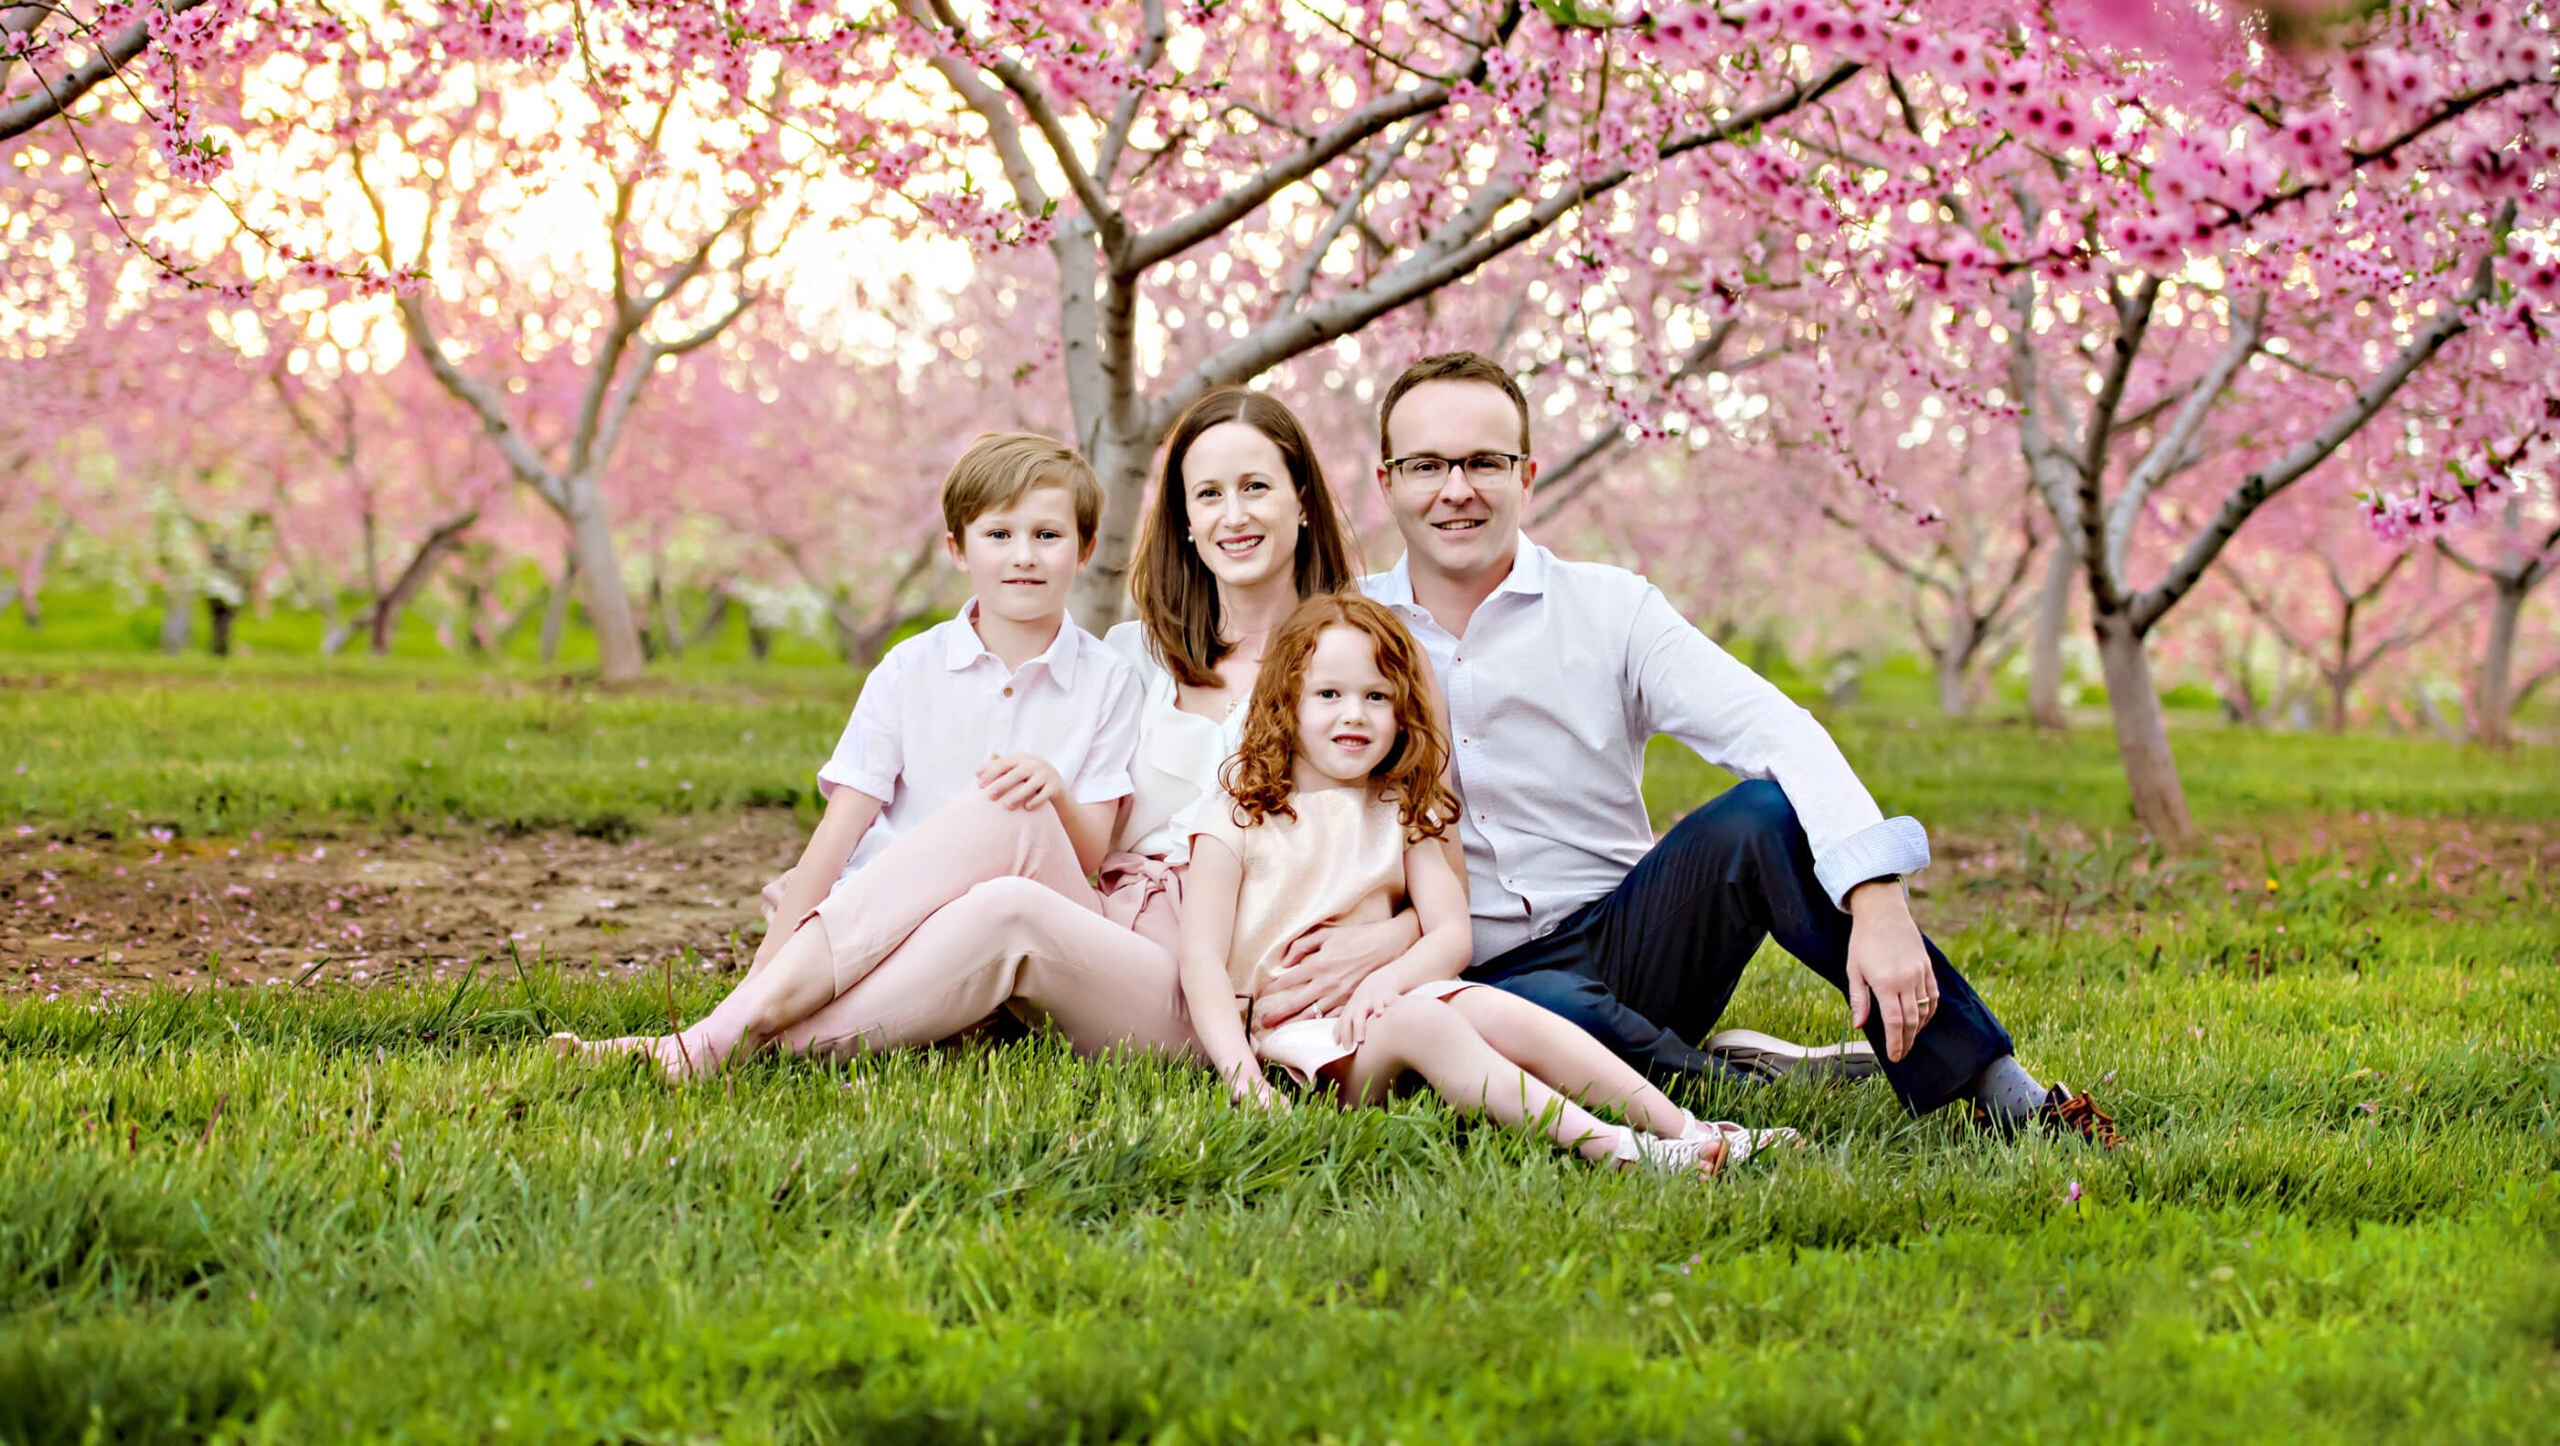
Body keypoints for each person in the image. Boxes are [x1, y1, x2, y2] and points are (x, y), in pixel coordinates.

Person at [1295, 351, 2113, 1141]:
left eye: (1484, 462)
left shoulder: (1612, 610)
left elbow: (1777, 731)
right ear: (1388, 483)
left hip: (1634, 943)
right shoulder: (1343, 634)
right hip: (1467, 977)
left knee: (1763, 814)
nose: (1457, 491)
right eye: (1427, 466)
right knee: (1550, 1005)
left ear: (1527, 475)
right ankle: (1734, 1085)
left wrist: (1878, 894)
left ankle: (1999, 1088)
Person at [553, 391, 1369, 1076]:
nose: (1235, 514)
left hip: (1223, 965)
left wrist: (1389, 946)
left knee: (1017, 850)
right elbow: (1086, 847)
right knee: (1009, 830)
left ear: (1302, 497)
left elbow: (1415, 837)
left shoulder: (1361, 664)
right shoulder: (1140, 656)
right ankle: (721, 1037)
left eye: (1257, 486)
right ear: (1185, 520)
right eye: (1209, 494)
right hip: (1114, 919)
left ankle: (718, 1041)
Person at [1177, 593, 1796, 1174]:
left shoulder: (1399, 809)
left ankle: (1689, 1129)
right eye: (1329, 693)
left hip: (1387, 1009)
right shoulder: (1239, 814)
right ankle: (1620, 1149)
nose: (1353, 715)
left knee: (1501, 1009)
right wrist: (1242, 1079)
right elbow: (1201, 958)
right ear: (1286, 703)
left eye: (1375, 697)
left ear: (1402, 710)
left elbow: (1451, 936)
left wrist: (1390, 979)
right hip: (1303, 1046)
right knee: (1425, 1020)